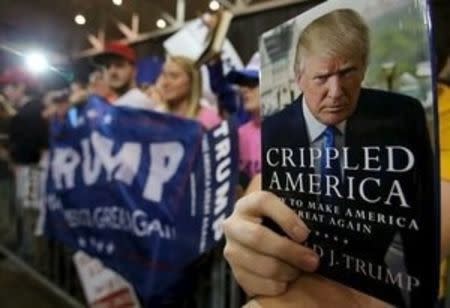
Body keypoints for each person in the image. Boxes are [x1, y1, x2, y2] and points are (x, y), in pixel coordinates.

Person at [223, 8, 440, 308]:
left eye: (348, 73)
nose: (336, 92)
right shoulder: (276, 127)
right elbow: (265, 188)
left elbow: (425, 210)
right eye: (322, 77)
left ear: (364, 69)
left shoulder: (401, 116)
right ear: (299, 78)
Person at [226, 53, 262, 185]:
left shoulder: (292, 133)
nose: (244, 89)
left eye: (252, 83)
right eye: (242, 83)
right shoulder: (239, 134)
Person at [160, 55, 221, 129]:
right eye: (164, 75)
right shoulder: (155, 117)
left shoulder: (210, 119)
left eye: (174, 76)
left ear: (192, 81)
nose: (165, 83)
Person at [94, 42, 156, 111]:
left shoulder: (137, 103)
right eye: (107, 67)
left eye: (119, 65)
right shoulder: (121, 103)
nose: (112, 72)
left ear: (134, 71)